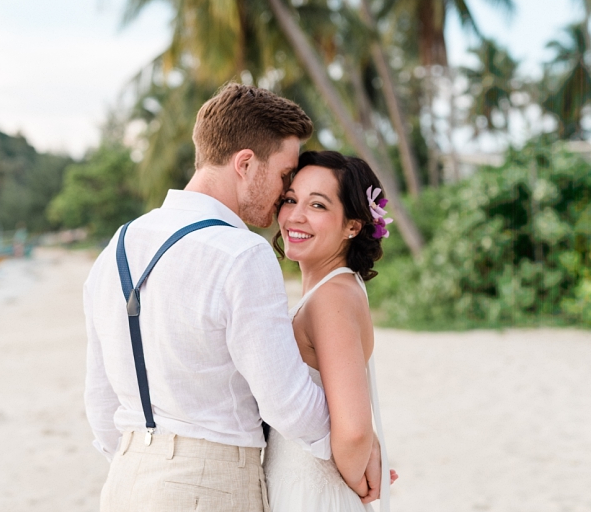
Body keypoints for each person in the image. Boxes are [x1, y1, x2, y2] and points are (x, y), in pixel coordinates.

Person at [83, 83, 385, 512]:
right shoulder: (242, 254)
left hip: (125, 483)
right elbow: (286, 401)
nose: (285, 193)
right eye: (285, 176)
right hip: (211, 483)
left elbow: (100, 401)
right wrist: (356, 444)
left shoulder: (117, 247)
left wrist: (146, 463)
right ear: (245, 163)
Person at [263, 150, 396, 511]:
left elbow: (354, 429)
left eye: (318, 206)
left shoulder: (331, 299)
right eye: (290, 200)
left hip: (312, 494)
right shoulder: (337, 288)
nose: (295, 216)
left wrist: (357, 480)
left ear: (353, 225)